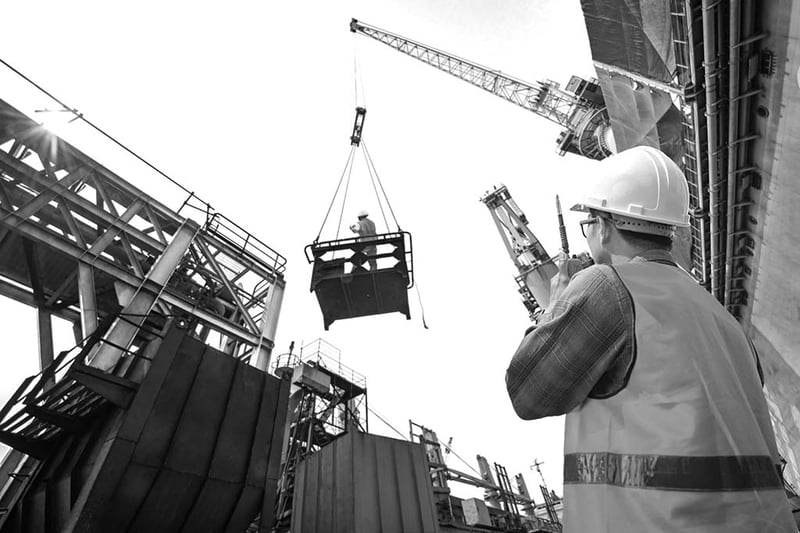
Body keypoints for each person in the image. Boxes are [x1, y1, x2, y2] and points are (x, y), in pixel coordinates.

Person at [505, 146, 795, 532]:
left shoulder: (606, 286)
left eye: (588, 223)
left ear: (604, 225)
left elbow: (528, 393)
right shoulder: (721, 317)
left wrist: (554, 306)